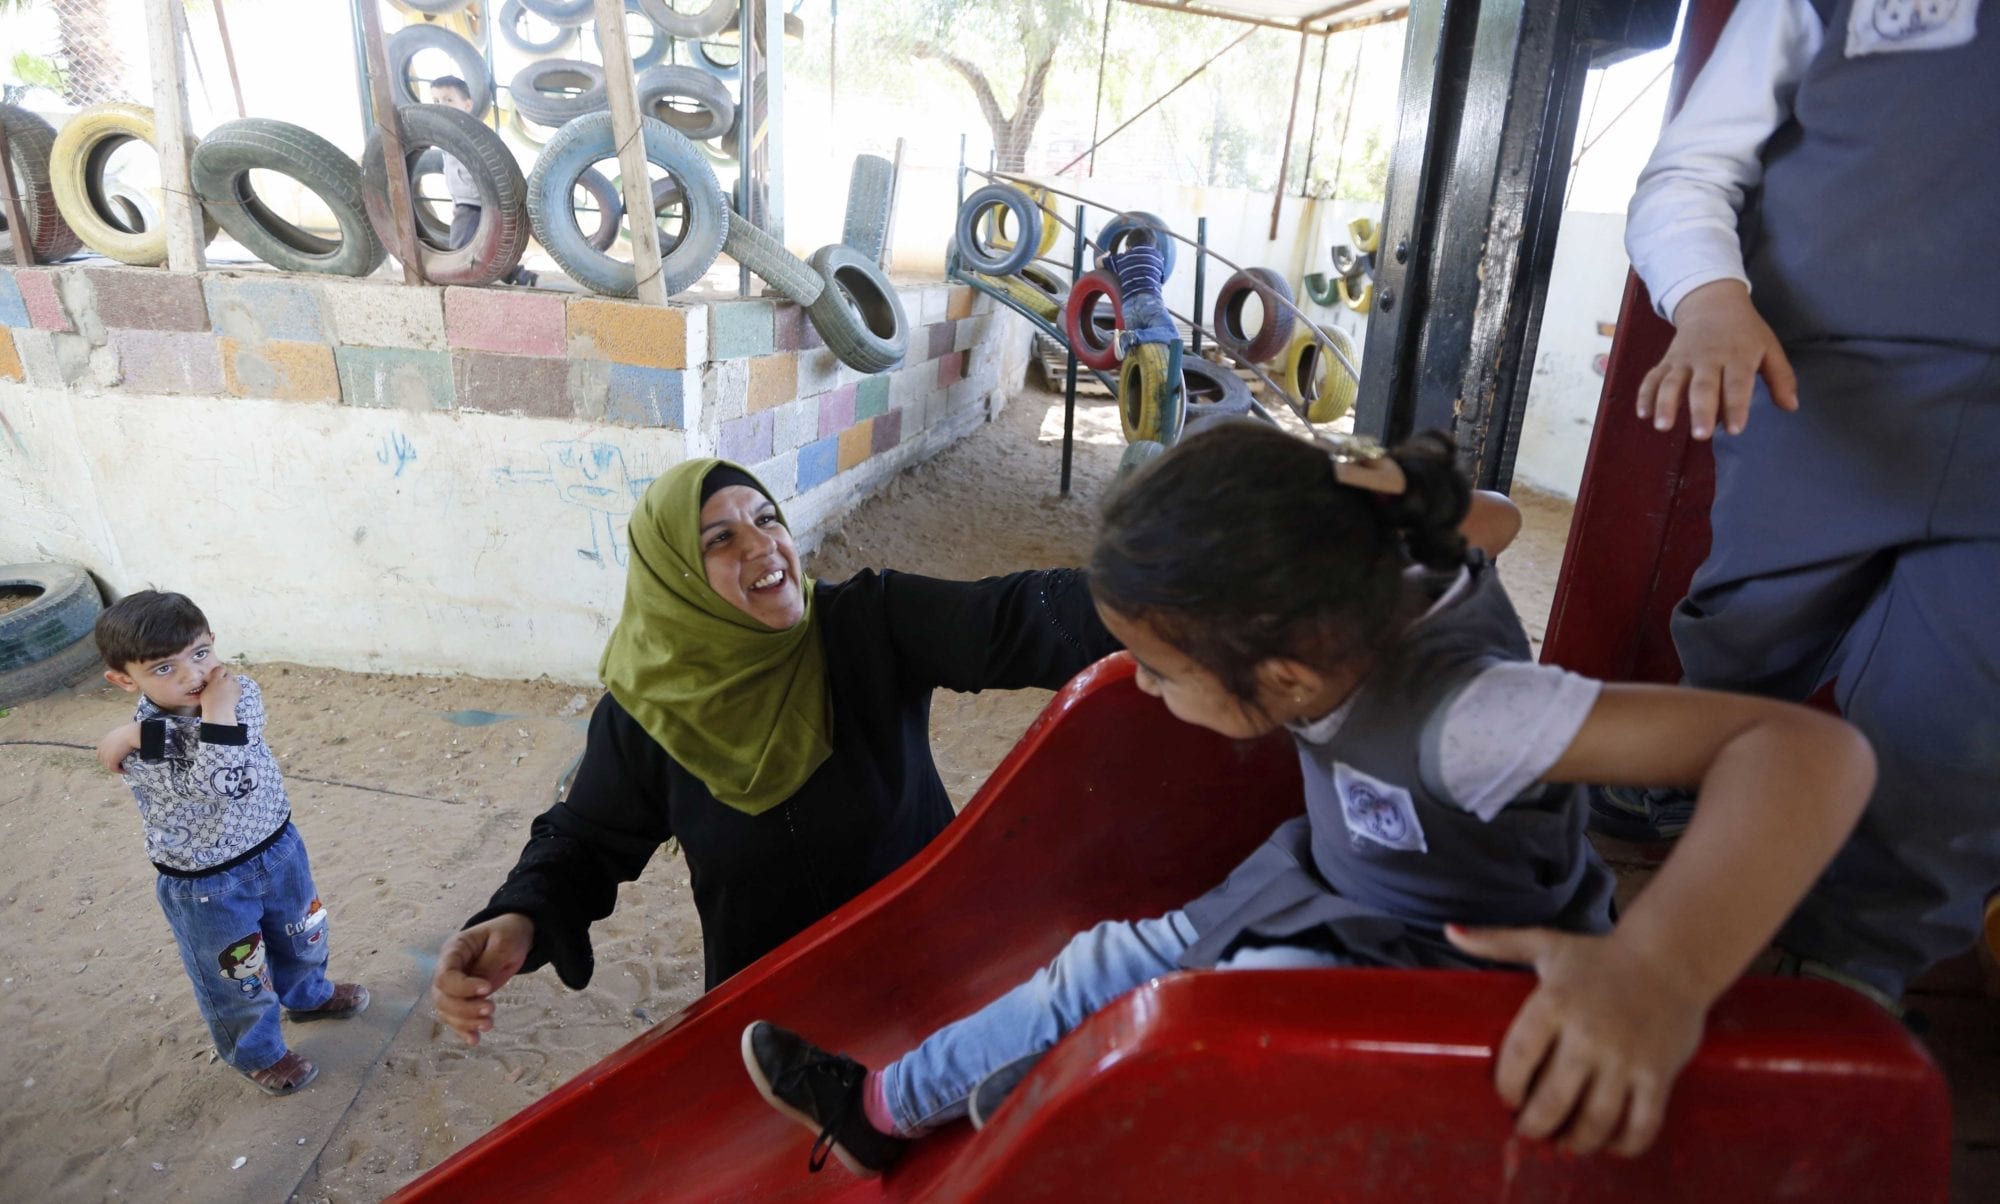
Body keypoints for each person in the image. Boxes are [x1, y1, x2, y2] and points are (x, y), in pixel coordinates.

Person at [739, 422, 1876, 1176]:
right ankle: (885, 1109)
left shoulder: (1470, 714)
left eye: (1162, 672)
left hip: (1446, 959)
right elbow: (1491, 519)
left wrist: (1656, 973)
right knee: (1098, 961)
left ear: (1278, 680)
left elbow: (1799, 753)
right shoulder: (1379, 573)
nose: (1137, 685)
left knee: (1218, 1026)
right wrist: (1378, 496)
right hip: (1333, 882)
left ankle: (1049, 1105)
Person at [429, 458, 1125, 1044]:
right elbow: (584, 842)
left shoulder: (866, 625)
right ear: (677, 578)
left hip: (942, 972)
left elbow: (1019, 617)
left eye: (767, 519)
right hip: (779, 1020)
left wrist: (1164, 598)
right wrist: (520, 915)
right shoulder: (650, 713)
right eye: (720, 539)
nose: (762, 546)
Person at [1600, 0, 1998, 1007]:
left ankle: (1849, 968)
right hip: (1813, 389)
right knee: (1748, 633)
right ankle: (1678, 799)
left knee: (1957, 724)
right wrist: (1706, 296)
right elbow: (1692, 168)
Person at [92, 590, 369, 1096]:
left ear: (212, 642)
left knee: (301, 934)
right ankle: (259, 1054)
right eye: (163, 669)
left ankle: (307, 996)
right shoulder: (146, 750)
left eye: (199, 654)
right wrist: (146, 734)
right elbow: (221, 776)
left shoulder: (237, 692)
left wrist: (134, 732)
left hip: (278, 846)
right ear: (122, 678)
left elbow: (225, 737)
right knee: (238, 977)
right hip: (207, 884)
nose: (192, 676)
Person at [428, 76, 536, 287]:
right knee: (491, 246)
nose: (441, 106)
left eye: (448, 100)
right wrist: (456, 201)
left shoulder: (474, 134)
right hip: (466, 201)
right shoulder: (444, 137)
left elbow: (492, 169)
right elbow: (453, 173)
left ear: (467, 105)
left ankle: (456, 283)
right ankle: (520, 276)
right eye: (436, 101)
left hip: (478, 201)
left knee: (459, 247)